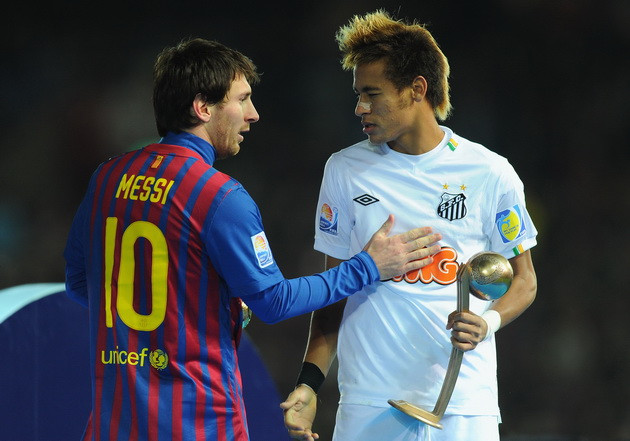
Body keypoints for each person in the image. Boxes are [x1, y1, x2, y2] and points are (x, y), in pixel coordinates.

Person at [63, 37, 442, 441]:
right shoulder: (219, 196)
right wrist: (367, 266)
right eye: (242, 100)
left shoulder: (108, 177)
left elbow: (81, 284)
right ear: (203, 107)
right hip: (199, 423)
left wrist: (175, 316)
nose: (253, 114)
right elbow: (274, 302)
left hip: (114, 424)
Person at [281, 10, 538, 441]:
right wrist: (309, 383)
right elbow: (333, 292)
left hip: (463, 404)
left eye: (372, 94)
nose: (360, 108)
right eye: (358, 94)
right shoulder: (344, 170)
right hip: (369, 401)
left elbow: (525, 281)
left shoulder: (490, 172)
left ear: (417, 89)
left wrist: (489, 322)